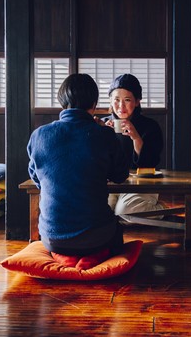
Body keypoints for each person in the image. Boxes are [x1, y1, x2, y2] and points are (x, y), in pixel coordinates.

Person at [27, 73, 130, 257]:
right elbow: (120, 175)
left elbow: (36, 178)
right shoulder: (103, 135)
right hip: (97, 238)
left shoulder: (39, 135)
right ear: (94, 104)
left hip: (52, 239)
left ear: (61, 101)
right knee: (116, 231)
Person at [104, 73, 165, 220]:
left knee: (124, 211)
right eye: (116, 100)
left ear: (137, 102)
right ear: (110, 102)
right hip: (113, 183)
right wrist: (99, 134)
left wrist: (136, 137)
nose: (121, 106)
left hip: (142, 183)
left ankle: (160, 209)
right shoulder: (103, 124)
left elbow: (150, 164)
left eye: (127, 100)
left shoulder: (150, 126)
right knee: (104, 210)